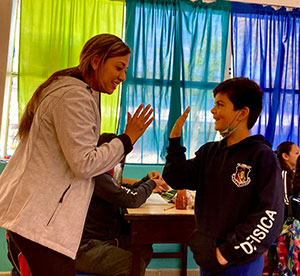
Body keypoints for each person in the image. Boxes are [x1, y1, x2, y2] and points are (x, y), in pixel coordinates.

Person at [0, 34, 155, 276]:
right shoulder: (74, 96)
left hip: (36, 217)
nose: (123, 77)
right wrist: (127, 139)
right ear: (96, 61)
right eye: (118, 67)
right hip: (39, 220)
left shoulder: (74, 91)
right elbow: (85, 163)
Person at [162, 77, 285, 275]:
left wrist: (225, 253)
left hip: (239, 260)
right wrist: (175, 142)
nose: (213, 111)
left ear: (242, 113)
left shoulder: (262, 156)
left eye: (220, 104)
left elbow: (270, 214)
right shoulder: (210, 152)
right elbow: (177, 177)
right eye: (214, 104)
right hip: (210, 256)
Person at [76, 133, 169, 276]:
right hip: (87, 247)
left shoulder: (106, 176)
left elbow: (125, 191)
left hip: (104, 240)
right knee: (132, 263)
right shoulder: (97, 177)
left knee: (144, 248)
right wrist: (151, 184)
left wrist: (146, 180)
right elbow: (131, 199)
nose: (121, 160)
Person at [276, 141, 300, 218]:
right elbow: (286, 201)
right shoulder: (284, 173)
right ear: (285, 156)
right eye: (297, 153)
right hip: (284, 221)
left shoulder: (291, 173)